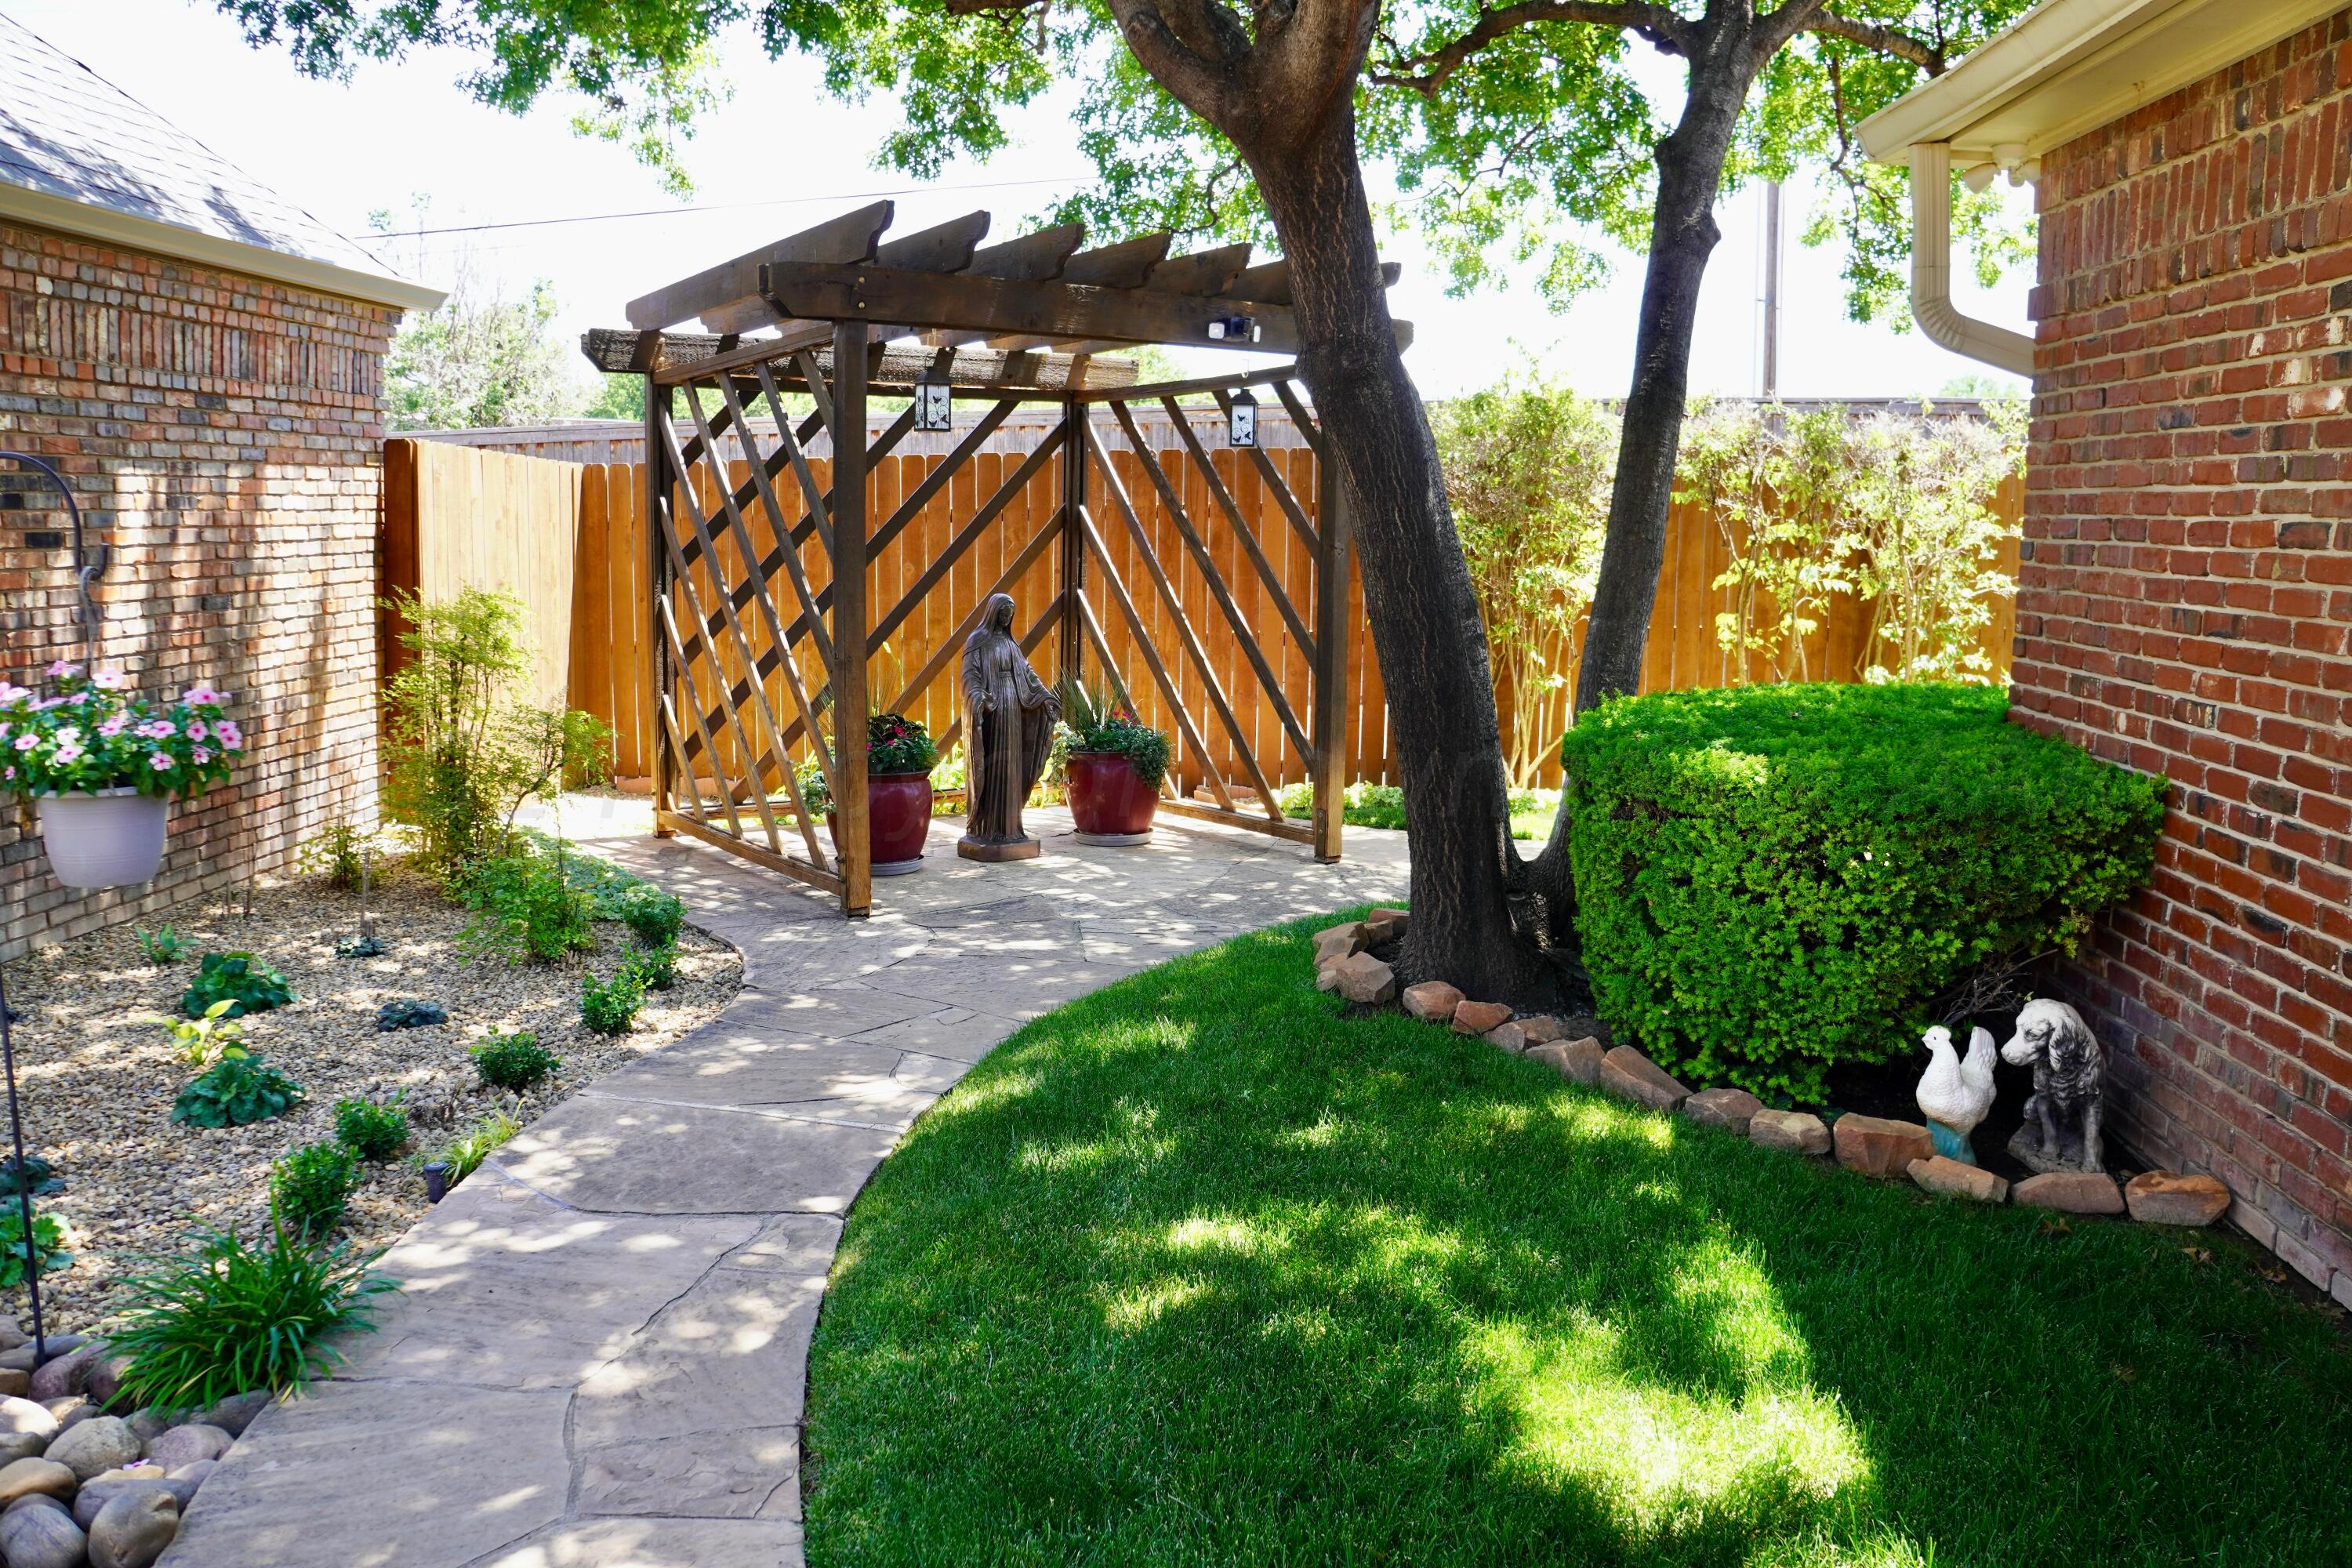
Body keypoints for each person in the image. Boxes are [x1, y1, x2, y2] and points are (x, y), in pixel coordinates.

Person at [958, 592, 1058, 860]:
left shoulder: (1012, 645)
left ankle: (1010, 827)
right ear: (994, 612)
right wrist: (977, 697)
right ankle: (988, 828)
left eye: (1010, 615)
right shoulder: (977, 641)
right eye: (1004, 614)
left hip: (1013, 709)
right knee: (994, 766)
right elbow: (970, 675)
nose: (1007, 619)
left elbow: (1027, 673)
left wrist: (1045, 696)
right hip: (993, 711)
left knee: (1011, 766)